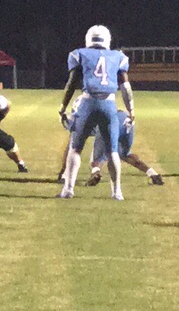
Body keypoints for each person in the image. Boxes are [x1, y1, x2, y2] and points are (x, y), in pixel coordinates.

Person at [57, 25, 134, 200]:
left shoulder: (79, 54)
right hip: (109, 104)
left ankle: (68, 190)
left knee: (75, 148)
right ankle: (117, 193)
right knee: (113, 151)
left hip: (87, 102)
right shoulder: (118, 57)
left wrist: (63, 107)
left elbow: (71, 83)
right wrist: (131, 110)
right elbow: (126, 87)